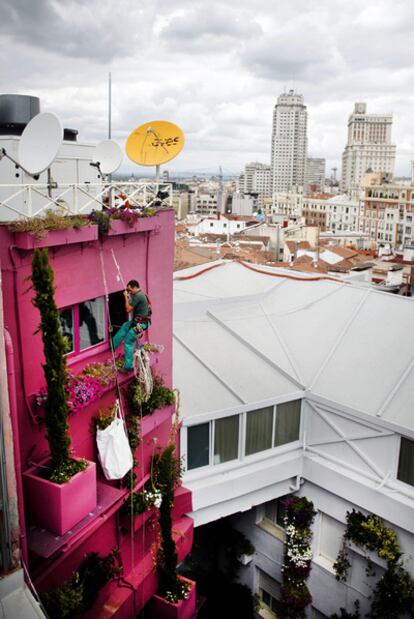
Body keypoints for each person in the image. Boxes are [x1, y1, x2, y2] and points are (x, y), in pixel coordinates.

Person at [112, 280, 151, 371]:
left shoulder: (138, 296)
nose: (129, 292)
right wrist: (129, 296)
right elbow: (132, 301)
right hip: (138, 321)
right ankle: (113, 345)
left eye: (130, 290)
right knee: (125, 325)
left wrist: (126, 297)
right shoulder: (138, 294)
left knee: (129, 341)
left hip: (141, 324)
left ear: (135, 287)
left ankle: (128, 366)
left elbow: (128, 309)